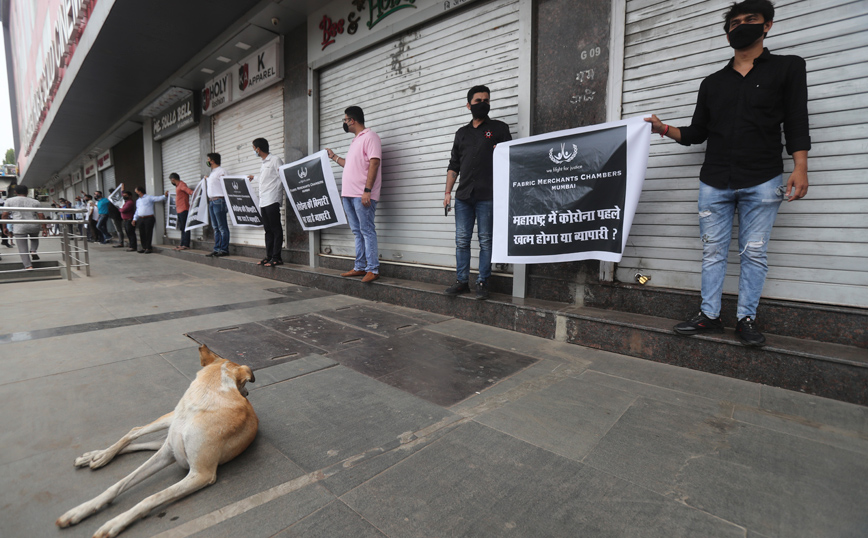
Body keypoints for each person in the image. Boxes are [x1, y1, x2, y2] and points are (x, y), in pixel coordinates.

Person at [644, 0, 809, 347]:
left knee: (754, 252)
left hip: (763, 179)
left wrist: (800, 167)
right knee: (712, 251)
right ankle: (710, 316)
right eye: (735, 22)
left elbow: (796, 120)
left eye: (751, 20)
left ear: (768, 26)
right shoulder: (712, 82)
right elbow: (696, 133)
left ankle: (745, 319)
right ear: (727, 32)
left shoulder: (788, 68)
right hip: (714, 182)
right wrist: (662, 129)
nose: (742, 26)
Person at [443, 84, 512, 300]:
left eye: (486, 100)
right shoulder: (461, 134)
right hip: (464, 197)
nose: (483, 104)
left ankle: (483, 281)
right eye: (477, 101)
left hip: (488, 196)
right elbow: (454, 165)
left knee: (485, 240)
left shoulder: (499, 129)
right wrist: (447, 193)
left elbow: (511, 159)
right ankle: (462, 282)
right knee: (462, 240)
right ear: (468, 105)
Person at [326, 106, 382, 283]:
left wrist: (367, 190)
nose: (344, 123)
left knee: (366, 230)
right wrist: (333, 156)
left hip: (362, 194)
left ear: (352, 120)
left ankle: (372, 269)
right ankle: (360, 267)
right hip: (348, 195)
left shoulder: (370, 137)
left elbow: (374, 163)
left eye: (345, 120)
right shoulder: (355, 141)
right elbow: (348, 165)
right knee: (358, 232)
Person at [248, 138, 285, 267]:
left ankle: (277, 257)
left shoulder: (275, 160)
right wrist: (254, 177)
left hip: (272, 199)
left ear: (258, 149)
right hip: (263, 201)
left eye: (253, 148)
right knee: (268, 230)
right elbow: (266, 180)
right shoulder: (264, 163)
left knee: (275, 229)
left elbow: (283, 176)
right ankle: (269, 256)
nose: (254, 151)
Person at [1, 184, 47, 270]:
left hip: (19, 226)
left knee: (23, 248)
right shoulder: (35, 201)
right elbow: (41, 215)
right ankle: (33, 251)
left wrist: (4, 227)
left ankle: (28, 266)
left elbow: (4, 215)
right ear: (27, 192)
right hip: (33, 224)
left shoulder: (9, 201)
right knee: (34, 238)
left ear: (15, 192)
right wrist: (44, 228)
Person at [204, 153, 230, 258]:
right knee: (215, 227)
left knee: (222, 227)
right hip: (212, 201)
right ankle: (217, 248)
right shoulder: (212, 173)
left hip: (219, 201)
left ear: (212, 161)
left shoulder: (222, 171)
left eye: (208, 159)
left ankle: (224, 249)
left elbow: (226, 185)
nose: (207, 161)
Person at [131, 186, 166, 254]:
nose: (135, 193)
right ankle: (144, 247)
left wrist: (165, 196)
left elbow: (158, 198)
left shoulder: (148, 197)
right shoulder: (138, 200)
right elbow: (137, 210)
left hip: (149, 218)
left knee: (148, 233)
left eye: (136, 191)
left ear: (140, 191)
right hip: (141, 218)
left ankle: (148, 248)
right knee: (142, 233)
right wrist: (134, 219)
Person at [169, 173, 194, 250]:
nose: (171, 182)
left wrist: (193, 193)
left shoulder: (182, 184)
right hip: (179, 210)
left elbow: (189, 191)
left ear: (173, 179)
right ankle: (182, 243)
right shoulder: (178, 186)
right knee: (182, 228)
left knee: (185, 227)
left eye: (171, 180)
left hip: (184, 209)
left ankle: (186, 244)